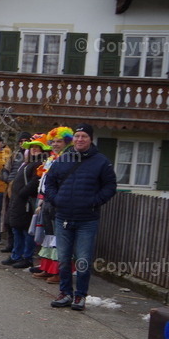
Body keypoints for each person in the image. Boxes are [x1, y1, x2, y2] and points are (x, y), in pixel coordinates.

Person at [45, 123, 118, 311]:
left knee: (83, 260)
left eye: (84, 136)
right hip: (63, 217)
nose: (79, 139)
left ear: (90, 139)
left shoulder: (101, 161)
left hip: (87, 220)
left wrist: (94, 201)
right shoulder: (63, 159)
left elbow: (110, 186)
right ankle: (65, 293)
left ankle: (80, 296)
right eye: (77, 136)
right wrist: (56, 200)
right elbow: (49, 182)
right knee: (63, 258)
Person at [32, 127, 74, 283]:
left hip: (59, 202)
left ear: (67, 142)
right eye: (53, 141)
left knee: (59, 237)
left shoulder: (68, 159)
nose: (55, 144)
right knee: (49, 235)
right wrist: (42, 200)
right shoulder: (52, 158)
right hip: (47, 200)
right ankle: (47, 268)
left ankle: (59, 272)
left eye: (59, 141)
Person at [2, 136, 46, 270]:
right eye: (32, 147)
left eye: (37, 147)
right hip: (18, 201)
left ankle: (27, 257)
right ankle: (16, 255)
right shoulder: (28, 163)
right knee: (17, 229)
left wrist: (22, 192)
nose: (34, 150)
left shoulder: (39, 164)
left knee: (26, 231)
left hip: (26, 202)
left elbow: (35, 181)